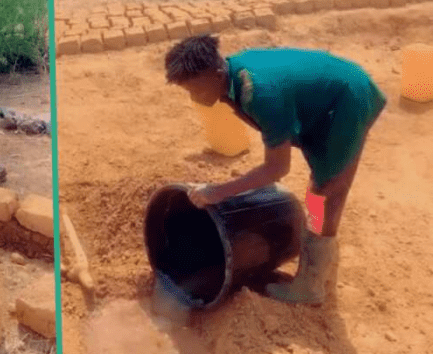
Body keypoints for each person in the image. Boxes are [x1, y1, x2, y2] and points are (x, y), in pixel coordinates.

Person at [164, 34, 386, 305]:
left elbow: (277, 168)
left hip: (345, 101)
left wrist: (219, 192)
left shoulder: (260, 93)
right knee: (321, 190)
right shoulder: (232, 77)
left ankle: (312, 285)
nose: (195, 98)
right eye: (188, 91)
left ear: (216, 71)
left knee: (324, 194)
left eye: (196, 89)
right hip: (322, 105)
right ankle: (322, 267)